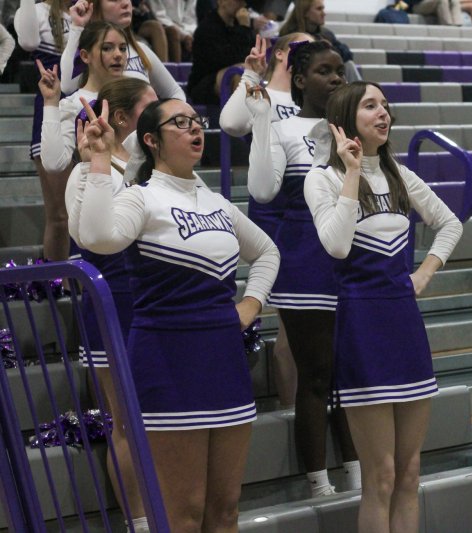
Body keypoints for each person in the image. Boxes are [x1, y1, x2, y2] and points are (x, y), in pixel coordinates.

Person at [78, 96, 280, 531]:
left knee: (225, 509)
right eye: (181, 123)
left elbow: (266, 252)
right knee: (181, 513)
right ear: (151, 140)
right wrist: (97, 159)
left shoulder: (218, 204)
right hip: (167, 363)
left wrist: (250, 303)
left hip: (224, 363)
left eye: (196, 121)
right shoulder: (141, 199)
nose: (195, 129)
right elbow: (97, 236)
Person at [304, 81, 462, 532]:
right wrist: (352, 171)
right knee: (382, 475)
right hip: (361, 323)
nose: (383, 113)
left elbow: (449, 223)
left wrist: (423, 274)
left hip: (404, 322)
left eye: (386, 105)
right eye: (371, 105)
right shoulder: (323, 177)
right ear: (345, 118)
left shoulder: (400, 175)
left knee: (410, 473)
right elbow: (335, 246)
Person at [246, 39, 359, 497]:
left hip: (353, 265)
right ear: (298, 79)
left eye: (340, 71)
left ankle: (356, 471)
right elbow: (263, 191)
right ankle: (318, 481)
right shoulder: (284, 128)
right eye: (324, 71)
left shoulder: (356, 129)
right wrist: (260, 121)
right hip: (305, 265)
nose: (336, 79)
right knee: (315, 374)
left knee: (350, 374)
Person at [65, 77, 157, 533]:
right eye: (151, 108)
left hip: (156, 301)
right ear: (122, 119)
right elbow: (85, 238)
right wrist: (97, 164)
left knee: (157, 421)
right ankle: (138, 523)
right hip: (112, 303)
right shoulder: (86, 171)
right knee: (127, 423)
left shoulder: (154, 170)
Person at [219, 32, 313, 408]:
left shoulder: (314, 99)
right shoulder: (263, 92)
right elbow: (230, 124)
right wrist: (250, 76)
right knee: (291, 324)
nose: (307, 56)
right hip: (274, 210)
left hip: (312, 214)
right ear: (280, 53)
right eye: (300, 49)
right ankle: (294, 412)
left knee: (308, 325)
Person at [14, 0, 73, 260]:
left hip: (85, 111)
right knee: (60, 215)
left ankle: (86, 286)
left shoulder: (84, 12)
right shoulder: (36, 12)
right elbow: (27, 42)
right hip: (52, 112)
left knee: (80, 213)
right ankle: (58, 285)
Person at [40, 21, 128, 175]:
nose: (118, 55)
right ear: (85, 56)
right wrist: (51, 102)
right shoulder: (72, 104)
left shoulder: (136, 96)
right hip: (95, 190)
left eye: (122, 48)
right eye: (107, 48)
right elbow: (54, 163)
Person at [59, 0, 184, 99]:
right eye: (114, 0)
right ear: (95, 7)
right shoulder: (89, 52)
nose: (126, 3)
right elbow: (67, 87)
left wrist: (162, 119)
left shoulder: (141, 49)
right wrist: (77, 27)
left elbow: (175, 93)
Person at [186, 0, 254, 105]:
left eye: (243, 2)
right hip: (204, 84)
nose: (242, 5)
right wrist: (244, 28)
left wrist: (245, 28)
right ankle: (239, 120)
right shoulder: (207, 27)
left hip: (228, 74)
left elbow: (251, 54)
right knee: (237, 73)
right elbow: (226, 59)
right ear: (221, 1)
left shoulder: (240, 25)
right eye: (237, 1)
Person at [278, 0, 360, 82]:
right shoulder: (290, 35)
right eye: (319, 9)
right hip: (302, 78)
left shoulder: (326, 34)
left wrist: (331, 48)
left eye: (323, 9)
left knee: (349, 65)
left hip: (326, 73)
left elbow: (348, 54)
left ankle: (360, 93)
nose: (324, 13)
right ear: (305, 12)